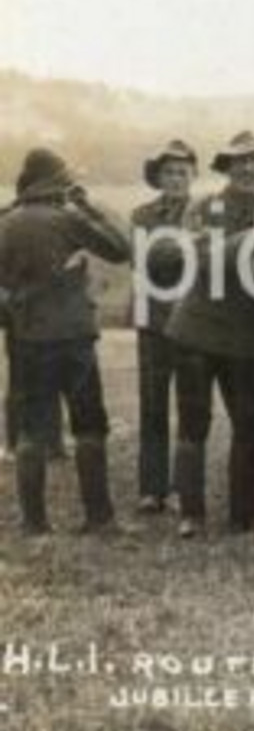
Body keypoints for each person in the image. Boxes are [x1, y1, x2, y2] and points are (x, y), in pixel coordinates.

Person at [0, 149, 131, 535]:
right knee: (89, 425)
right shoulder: (68, 219)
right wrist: (86, 203)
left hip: (27, 337)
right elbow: (121, 249)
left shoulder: (5, 222)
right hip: (74, 338)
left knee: (30, 431)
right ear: (58, 182)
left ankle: (34, 522)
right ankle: (99, 517)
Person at [164, 132, 254, 537]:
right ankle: (191, 514)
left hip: (245, 337)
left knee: (249, 423)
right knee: (194, 424)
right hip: (196, 330)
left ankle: (243, 515)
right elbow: (205, 258)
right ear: (226, 168)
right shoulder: (206, 206)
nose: (247, 168)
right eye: (237, 162)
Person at [129, 139, 197, 514]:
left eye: (183, 172)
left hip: (191, 325)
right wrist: (191, 245)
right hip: (153, 323)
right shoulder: (141, 215)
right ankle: (152, 489)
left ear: (194, 175)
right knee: (153, 405)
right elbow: (144, 258)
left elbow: (212, 256)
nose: (176, 179)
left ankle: (184, 488)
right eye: (169, 172)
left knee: (190, 407)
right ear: (158, 177)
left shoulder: (206, 211)